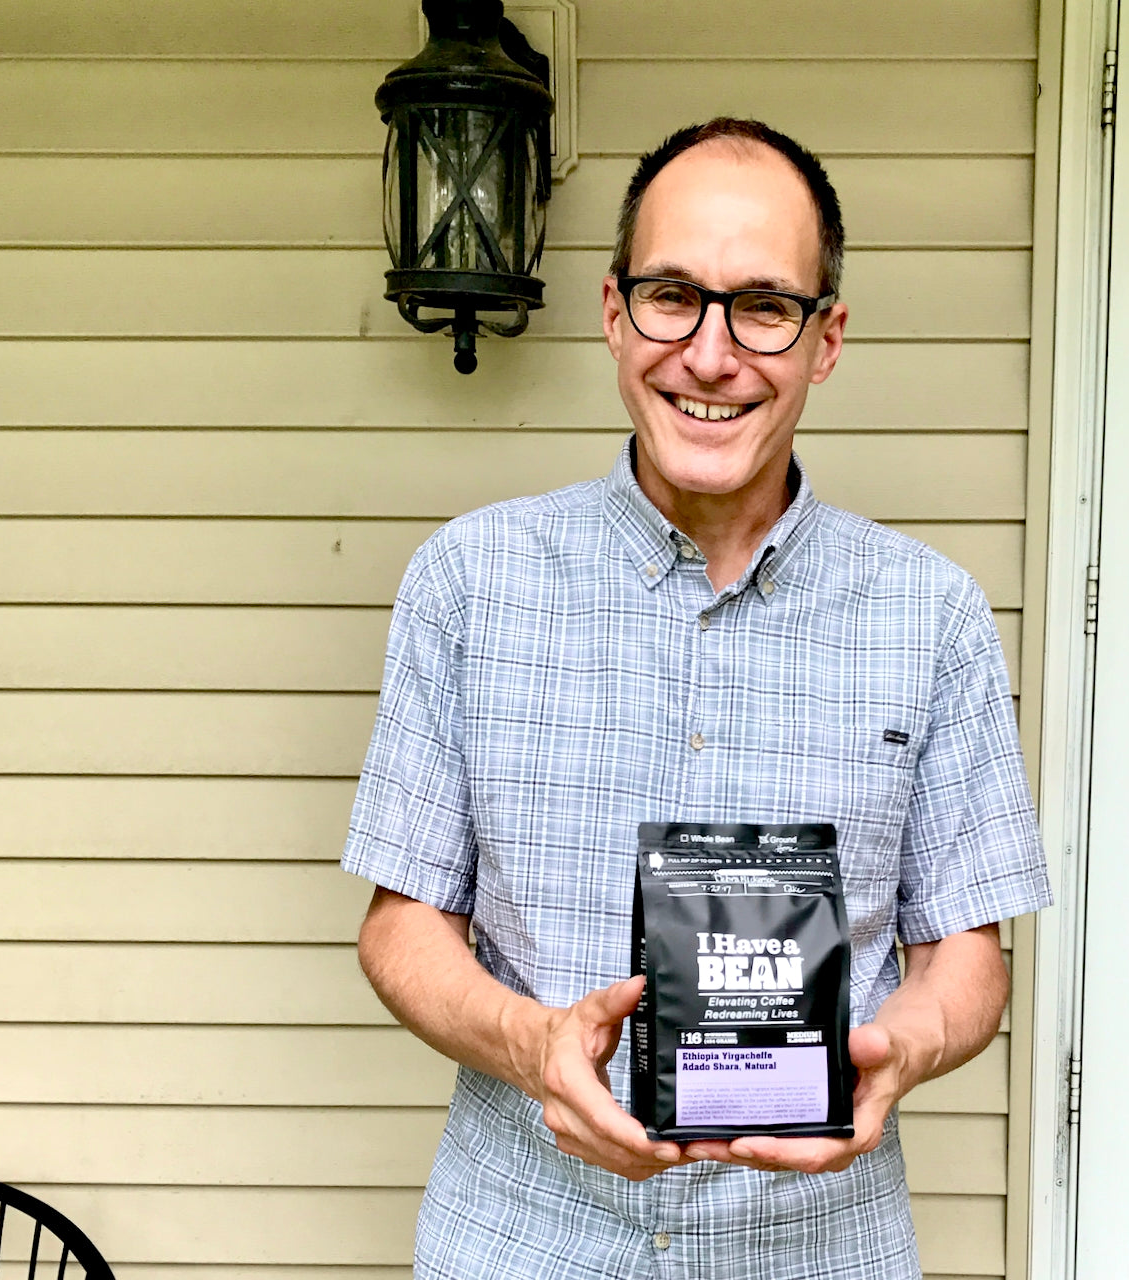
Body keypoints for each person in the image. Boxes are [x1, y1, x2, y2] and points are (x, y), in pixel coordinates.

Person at [342, 117, 1052, 1279]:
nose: (710, 355)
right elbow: (400, 923)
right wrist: (533, 1042)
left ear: (825, 340)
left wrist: (898, 1046)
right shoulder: (467, 583)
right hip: (521, 1238)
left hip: (821, 1246)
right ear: (614, 314)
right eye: (673, 294)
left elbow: (965, 955)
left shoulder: (932, 616)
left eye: (763, 305)